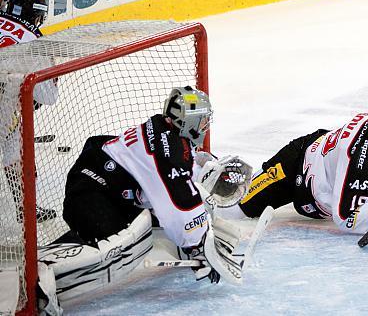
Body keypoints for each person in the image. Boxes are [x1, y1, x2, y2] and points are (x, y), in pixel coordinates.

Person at [37, 86, 257, 309]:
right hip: (89, 194)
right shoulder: (167, 150)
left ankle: (58, 255)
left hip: (103, 190)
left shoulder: (168, 133)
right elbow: (181, 204)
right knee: (130, 243)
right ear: (188, 122)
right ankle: (42, 279)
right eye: (202, 121)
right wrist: (199, 245)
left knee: (143, 225)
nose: (205, 126)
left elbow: (184, 177)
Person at [220, 94, 368, 235]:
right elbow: (346, 216)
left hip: (326, 164)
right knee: (236, 208)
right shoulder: (359, 158)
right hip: (296, 167)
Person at [0, 0, 58, 222]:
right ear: (35, 15)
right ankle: (25, 209)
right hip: (5, 109)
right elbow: (49, 96)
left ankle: (26, 208)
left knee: (14, 151)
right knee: (14, 155)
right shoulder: (34, 40)